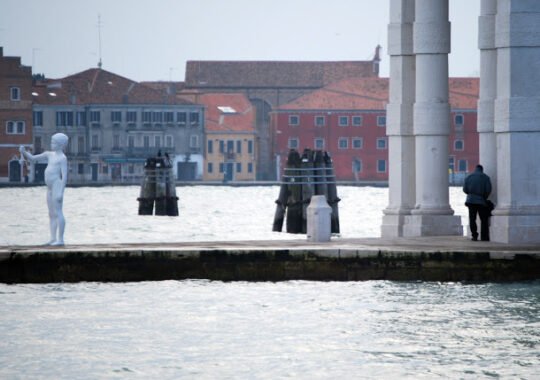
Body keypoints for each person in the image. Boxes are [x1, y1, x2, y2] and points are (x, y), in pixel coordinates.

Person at [20, 133, 69, 246]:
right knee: (51, 214)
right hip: (49, 188)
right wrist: (24, 152)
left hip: (57, 185)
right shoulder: (49, 154)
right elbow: (32, 159)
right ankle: (53, 239)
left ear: (61, 145)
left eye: (54, 142)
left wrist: (61, 192)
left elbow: (64, 176)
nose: (51, 144)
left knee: (58, 213)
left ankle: (60, 240)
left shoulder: (62, 158)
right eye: (51, 142)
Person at [463, 164, 492, 241]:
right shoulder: (486, 177)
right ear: (482, 170)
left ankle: (474, 236)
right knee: (483, 219)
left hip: (470, 201)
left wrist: (471, 194)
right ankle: (484, 236)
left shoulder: (468, 177)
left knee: (472, 219)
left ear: (475, 169)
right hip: (481, 201)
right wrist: (484, 197)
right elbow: (488, 190)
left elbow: (465, 190)